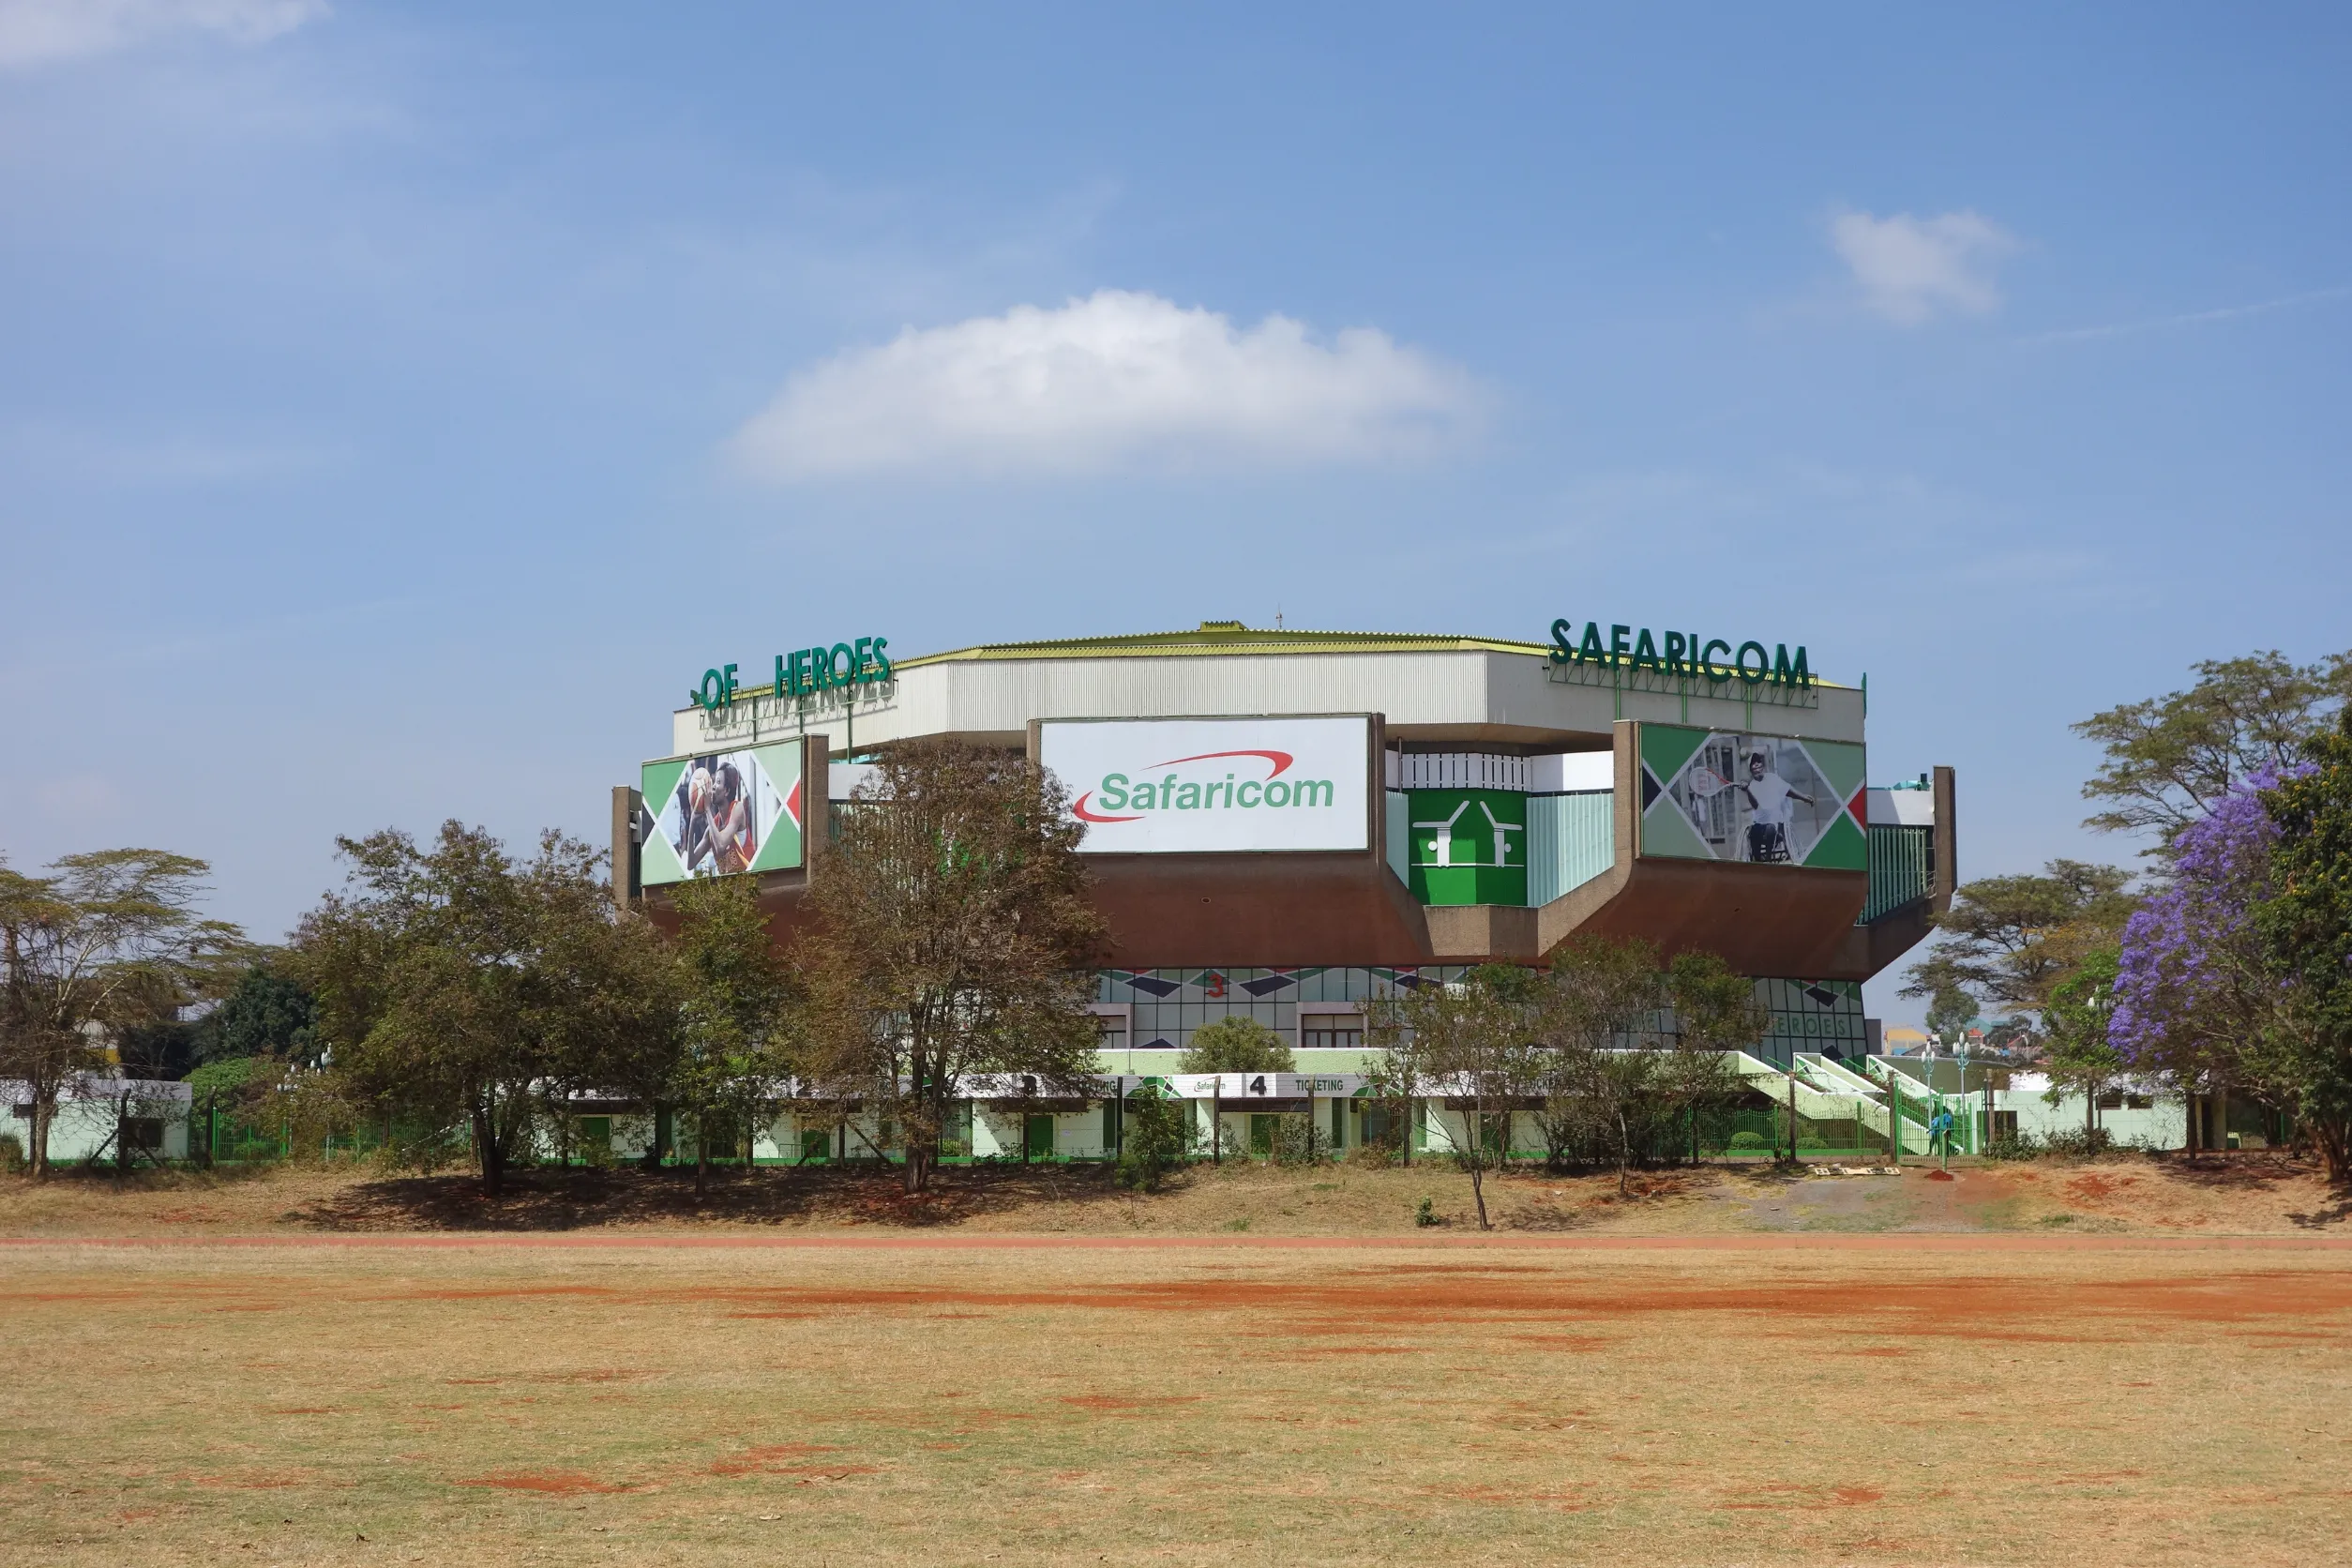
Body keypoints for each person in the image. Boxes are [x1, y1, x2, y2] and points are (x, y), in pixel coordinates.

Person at [1736, 746, 1814, 863]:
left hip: (1776, 825)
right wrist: (1747, 790)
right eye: (1753, 764)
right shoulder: (1752, 786)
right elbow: (1755, 805)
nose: (1756, 765)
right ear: (1750, 769)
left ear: (1762, 766)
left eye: (1758, 762)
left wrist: (1804, 798)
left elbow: (1788, 790)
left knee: (1770, 829)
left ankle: (1767, 859)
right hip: (1760, 825)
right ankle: (1757, 861)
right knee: (1752, 833)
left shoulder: (1773, 778)